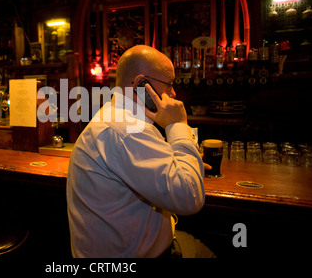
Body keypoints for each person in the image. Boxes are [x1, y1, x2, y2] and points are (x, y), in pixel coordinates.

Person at [66, 45, 215, 258]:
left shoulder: (119, 119)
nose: (173, 93)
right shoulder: (126, 130)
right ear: (140, 84)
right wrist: (178, 124)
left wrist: (184, 162)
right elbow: (189, 197)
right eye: (170, 84)